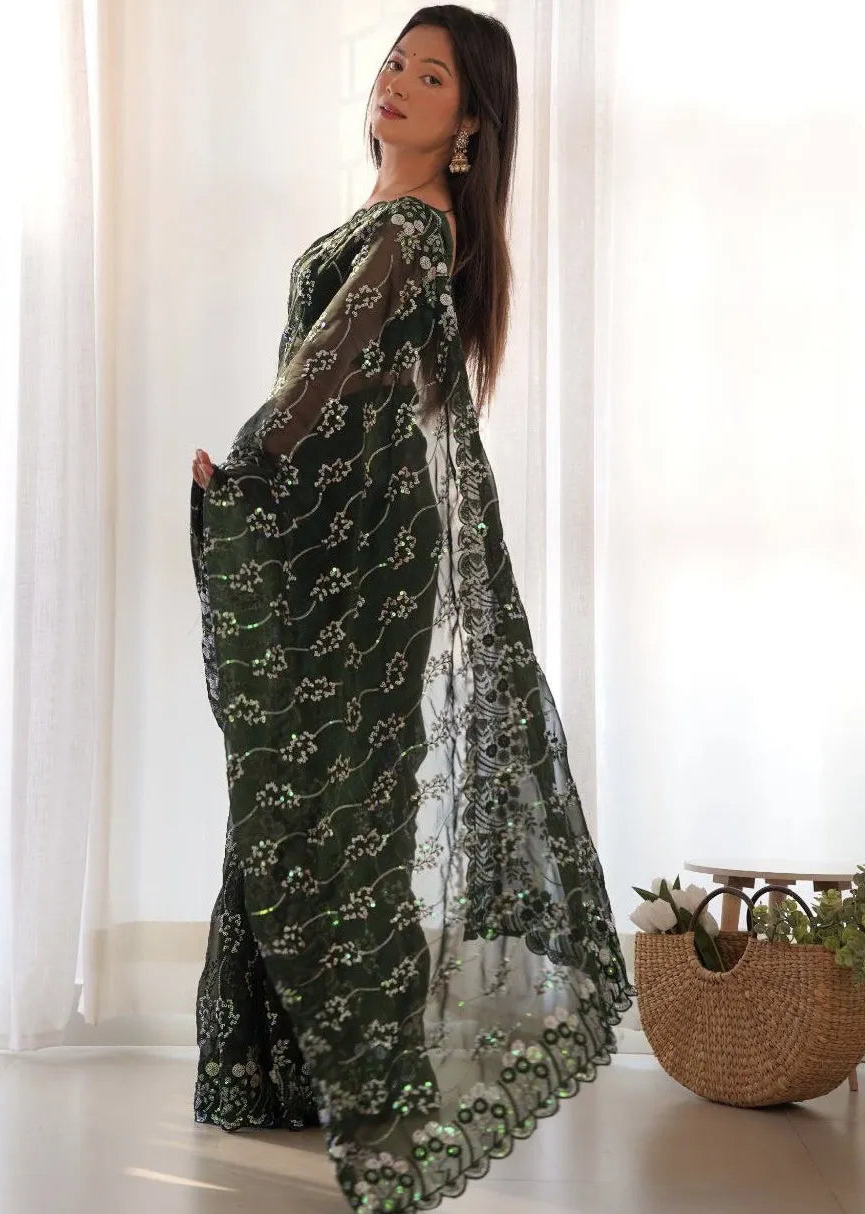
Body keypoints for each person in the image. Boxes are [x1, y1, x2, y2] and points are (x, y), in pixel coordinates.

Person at [189, 6, 633, 1211]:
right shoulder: (411, 226)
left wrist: (241, 465)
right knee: (340, 789)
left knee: (325, 794)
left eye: (427, 74)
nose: (395, 82)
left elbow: (319, 371)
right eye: (393, 61)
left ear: (469, 120)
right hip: (358, 535)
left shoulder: (404, 228)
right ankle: (313, 1064)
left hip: (357, 546)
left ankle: (371, 1071)